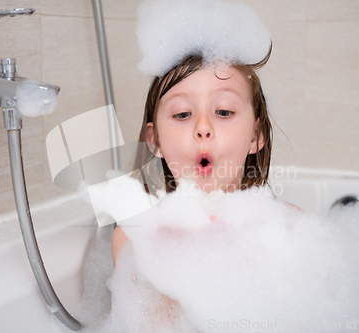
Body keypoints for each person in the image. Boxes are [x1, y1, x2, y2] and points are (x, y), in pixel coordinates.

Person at [111, 51, 301, 266]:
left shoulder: (289, 227)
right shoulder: (134, 238)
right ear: (155, 141)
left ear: (255, 136)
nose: (203, 127)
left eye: (224, 111)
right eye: (182, 114)